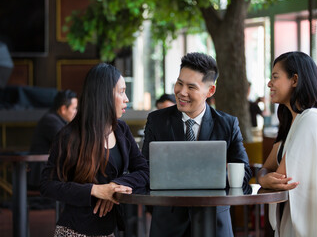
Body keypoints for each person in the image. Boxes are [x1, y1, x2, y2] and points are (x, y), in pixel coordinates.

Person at [142, 52, 252, 237]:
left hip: (214, 224)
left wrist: (199, 174)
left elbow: (244, 173)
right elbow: (144, 168)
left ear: (210, 91)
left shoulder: (227, 124)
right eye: (179, 83)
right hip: (168, 225)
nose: (181, 92)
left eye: (191, 87)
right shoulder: (157, 120)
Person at [40, 63, 149, 236]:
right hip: (74, 231)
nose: (127, 98)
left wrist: (114, 186)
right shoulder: (70, 135)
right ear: (103, 94)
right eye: (121, 91)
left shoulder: (121, 129)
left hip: (108, 230)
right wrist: (95, 190)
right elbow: (47, 185)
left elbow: (145, 170)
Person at [257, 51, 317, 236]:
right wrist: (263, 177)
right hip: (292, 223)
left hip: (307, 227)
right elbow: (267, 168)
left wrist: (264, 178)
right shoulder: (293, 122)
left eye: (275, 77)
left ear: (295, 80)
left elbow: (281, 177)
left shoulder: (312, 119)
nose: (269, 84)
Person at [28, 89, 77, 190]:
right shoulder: (50, 120)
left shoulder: (56, 120)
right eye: (74, 108)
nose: (76, 112)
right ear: (63, 109)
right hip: (42, 175)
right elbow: (68, 144)